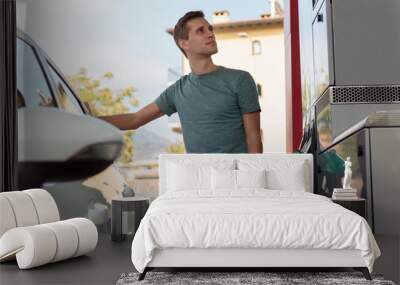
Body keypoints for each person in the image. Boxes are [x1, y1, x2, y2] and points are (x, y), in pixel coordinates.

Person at [98, 11, 263, 153]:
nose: (210, 33)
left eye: (210, 29)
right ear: (184, 44)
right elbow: (134, 119)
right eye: (201, 31)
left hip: (237, 181)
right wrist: (87, 121)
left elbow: (254, 139)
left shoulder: (240, 80)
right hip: (198, 181)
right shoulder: (177, 91)